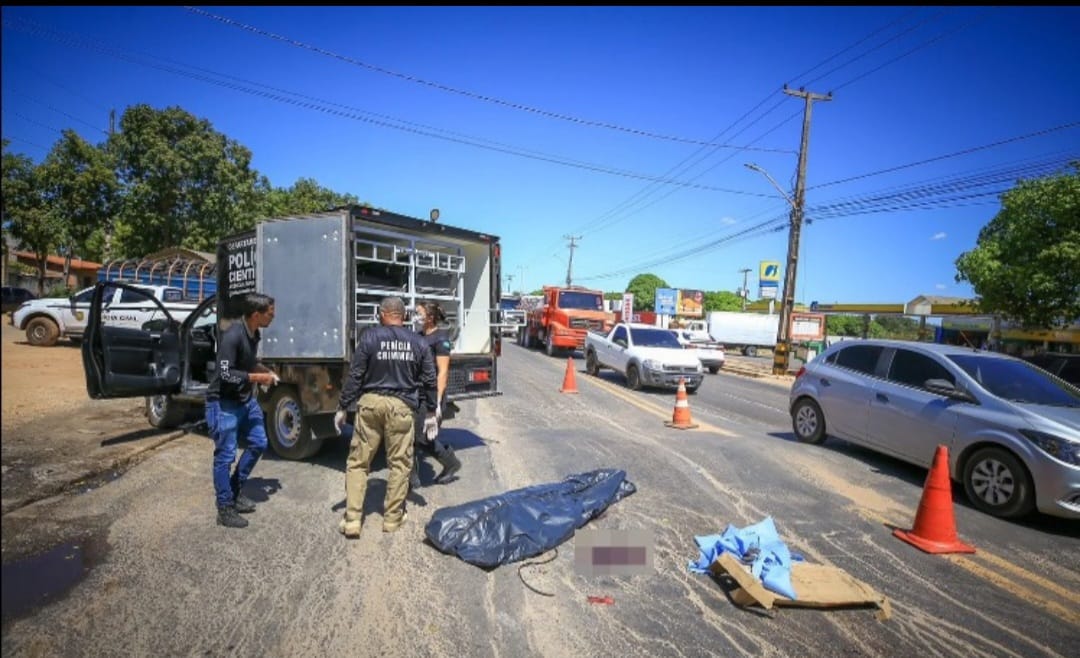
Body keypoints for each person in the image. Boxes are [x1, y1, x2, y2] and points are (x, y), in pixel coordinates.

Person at [334, 296, 437, 537]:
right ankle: (391, 519)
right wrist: (432, 411)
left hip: (370, 405)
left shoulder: (369, 337)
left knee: (358, 462)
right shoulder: (418, 342)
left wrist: (342, 407)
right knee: (400, 464)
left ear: (382, 314)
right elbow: (430, 379)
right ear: (404, 316)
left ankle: (352, 520)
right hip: (401, 407)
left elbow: (355, 375)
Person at [205, 292, 279, 529]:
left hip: (245, 400)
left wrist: (265, 370)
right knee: (225, 456)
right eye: (270, 314)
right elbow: (226, 373)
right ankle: (224, 508)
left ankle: (234, 491)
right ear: (256, 314)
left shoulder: (253, 333)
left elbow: (247, 363)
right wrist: (258, 377)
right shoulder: (233, 336)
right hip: (223, 403)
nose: (273, 317)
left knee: (259, 442)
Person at [409, 301, 462, 489]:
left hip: (431, 396)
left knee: (423, 437)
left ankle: (451, 463)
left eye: (419, 313)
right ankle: (411, 476)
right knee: (412, 434)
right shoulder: (418, 336)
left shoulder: (441, 339)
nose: (415, 316)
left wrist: (437, 403)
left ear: (430, 317)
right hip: (417, 393)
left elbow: (443, 372)